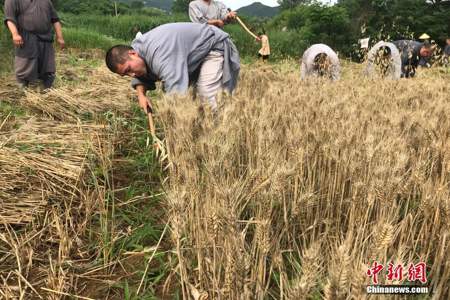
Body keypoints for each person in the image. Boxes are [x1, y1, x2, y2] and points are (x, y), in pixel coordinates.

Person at [105, 22, 240, 134]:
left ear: (132, 53)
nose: (132, 75)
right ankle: (199, 131)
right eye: (126, 74)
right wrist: (141, 94)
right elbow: (141, 75)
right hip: (193, 55)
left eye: (129, 69)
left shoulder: (161, 53)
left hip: (213, 47)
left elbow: (176, 93)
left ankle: (217, 136)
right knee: (193, 97)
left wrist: (174, 127)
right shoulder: (139, 48)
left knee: (206, 95)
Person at [3, 0, 65, 89]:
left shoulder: (46, 1)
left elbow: (55, 20)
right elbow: (10, 18)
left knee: (47, 65)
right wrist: (15, 34)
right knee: (24, 64)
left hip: (46, 38)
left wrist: (60, 37)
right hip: (26, 38)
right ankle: (23, 88)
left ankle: (46, 88)